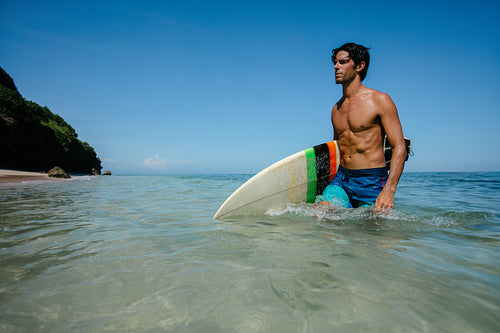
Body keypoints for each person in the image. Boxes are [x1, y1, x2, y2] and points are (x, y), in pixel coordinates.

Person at [319, 42, 407, 212]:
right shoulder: (336, 109)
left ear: (359, 66)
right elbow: (337, 148)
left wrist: (389, 190)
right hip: (342, 179)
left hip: (371, 181)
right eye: (335, 63)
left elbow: (399, 146)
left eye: (343, 62)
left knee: (372, 231)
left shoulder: (379, 100)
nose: (336, 67)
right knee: (321, 213)